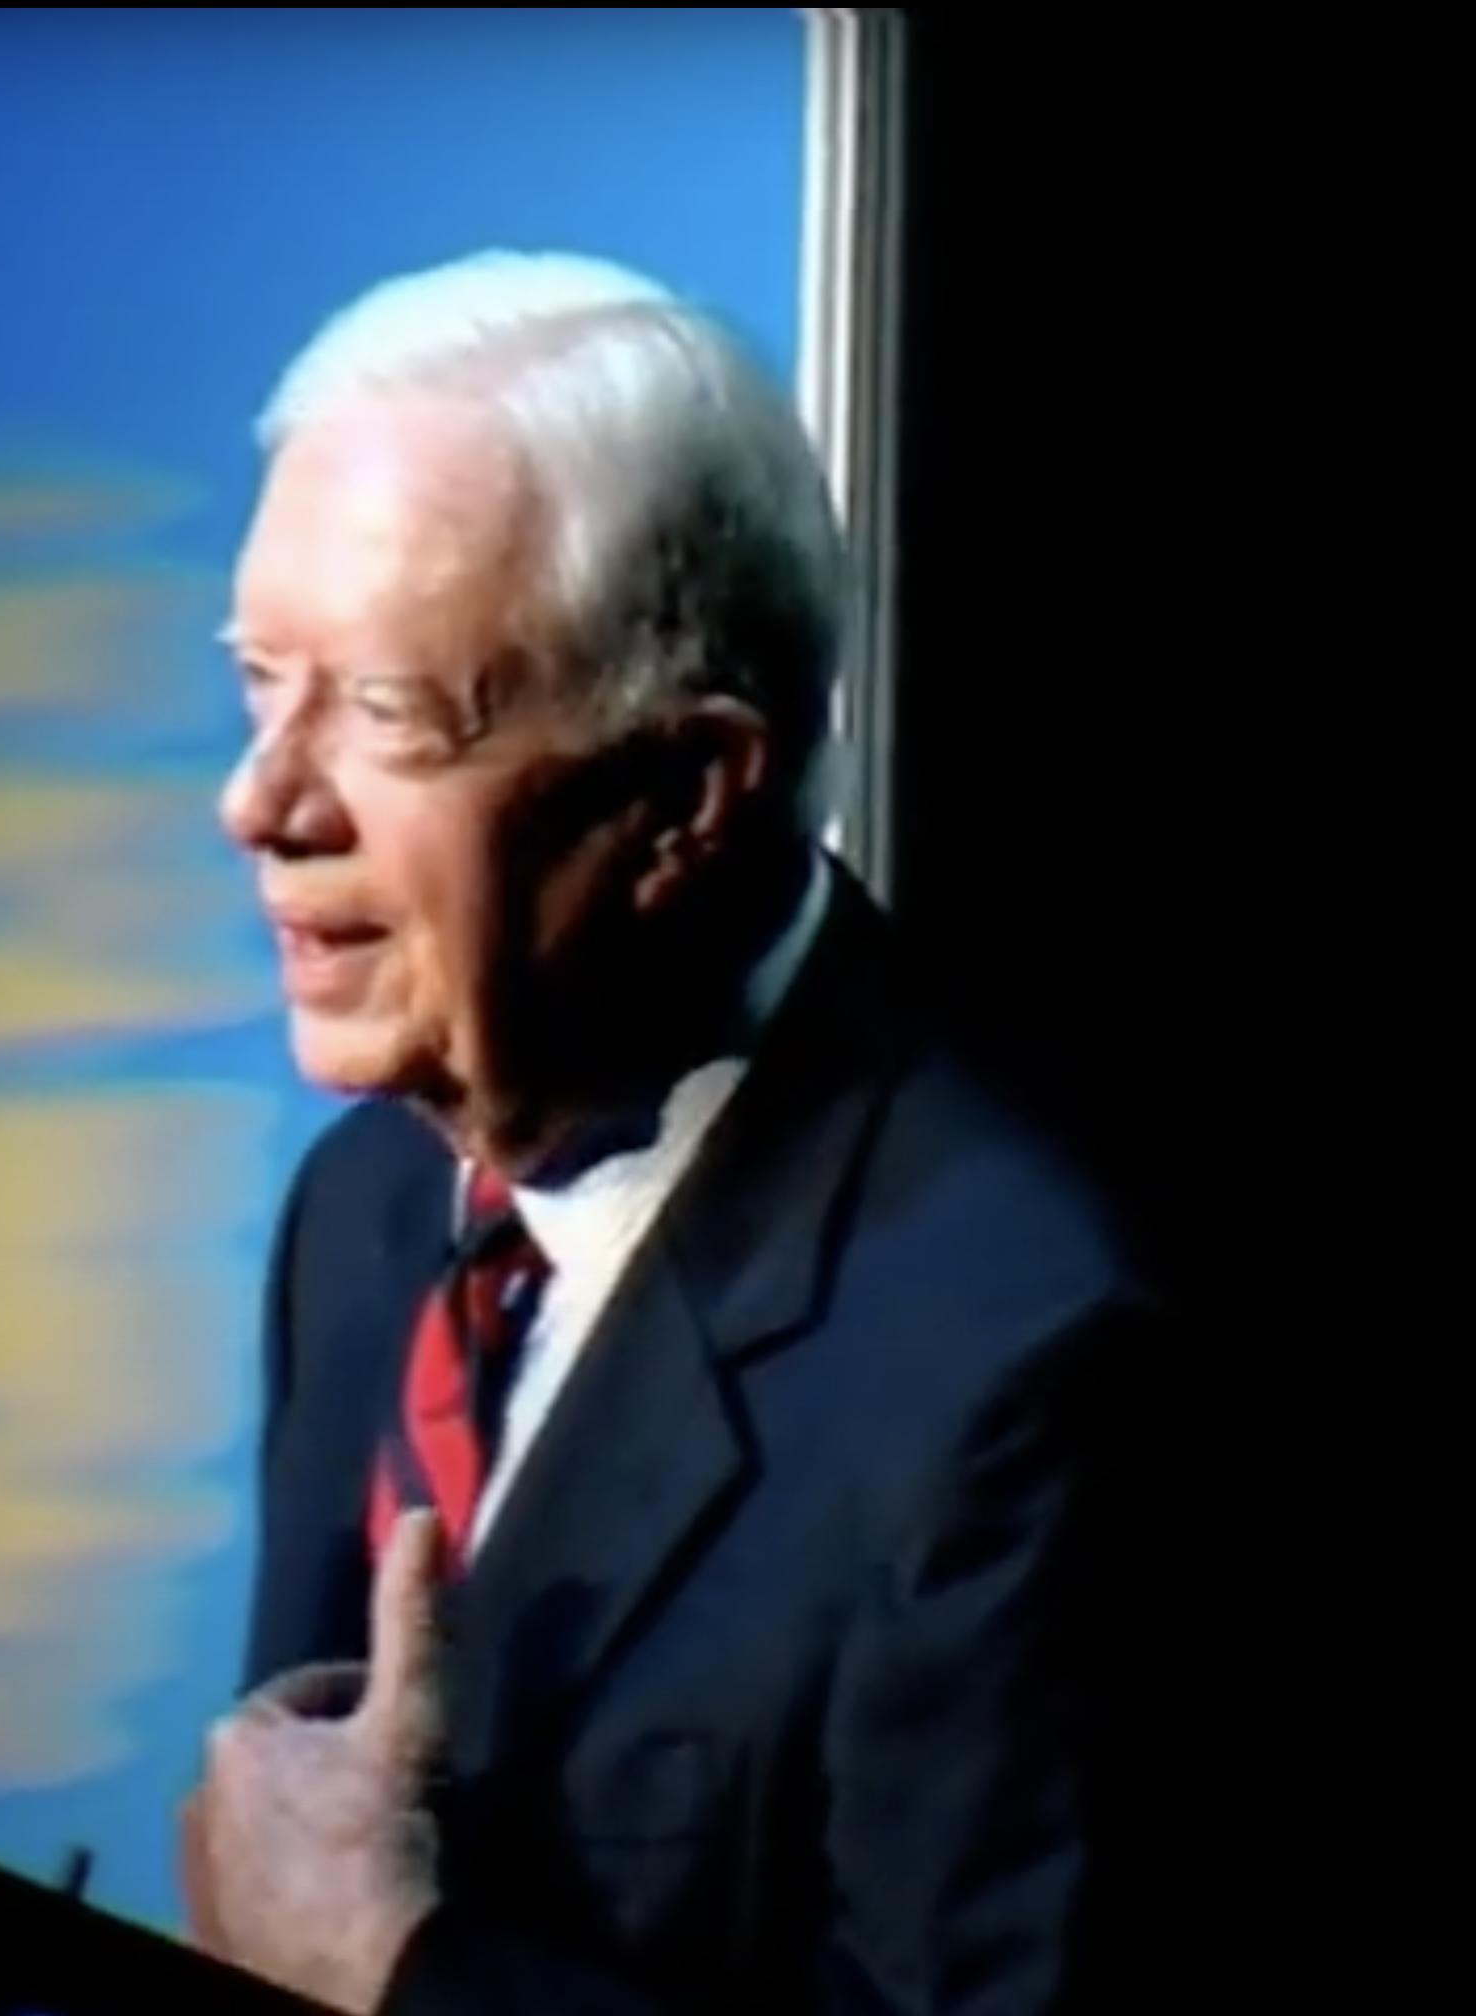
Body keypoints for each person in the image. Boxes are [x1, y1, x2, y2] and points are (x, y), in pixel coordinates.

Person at [176, 250, 1156, 2016]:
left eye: (387, 713)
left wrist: (400, 1969)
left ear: (686, 796)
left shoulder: (1024, 1358)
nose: (264, 801)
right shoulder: (370, 1212)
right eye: (261, 681)